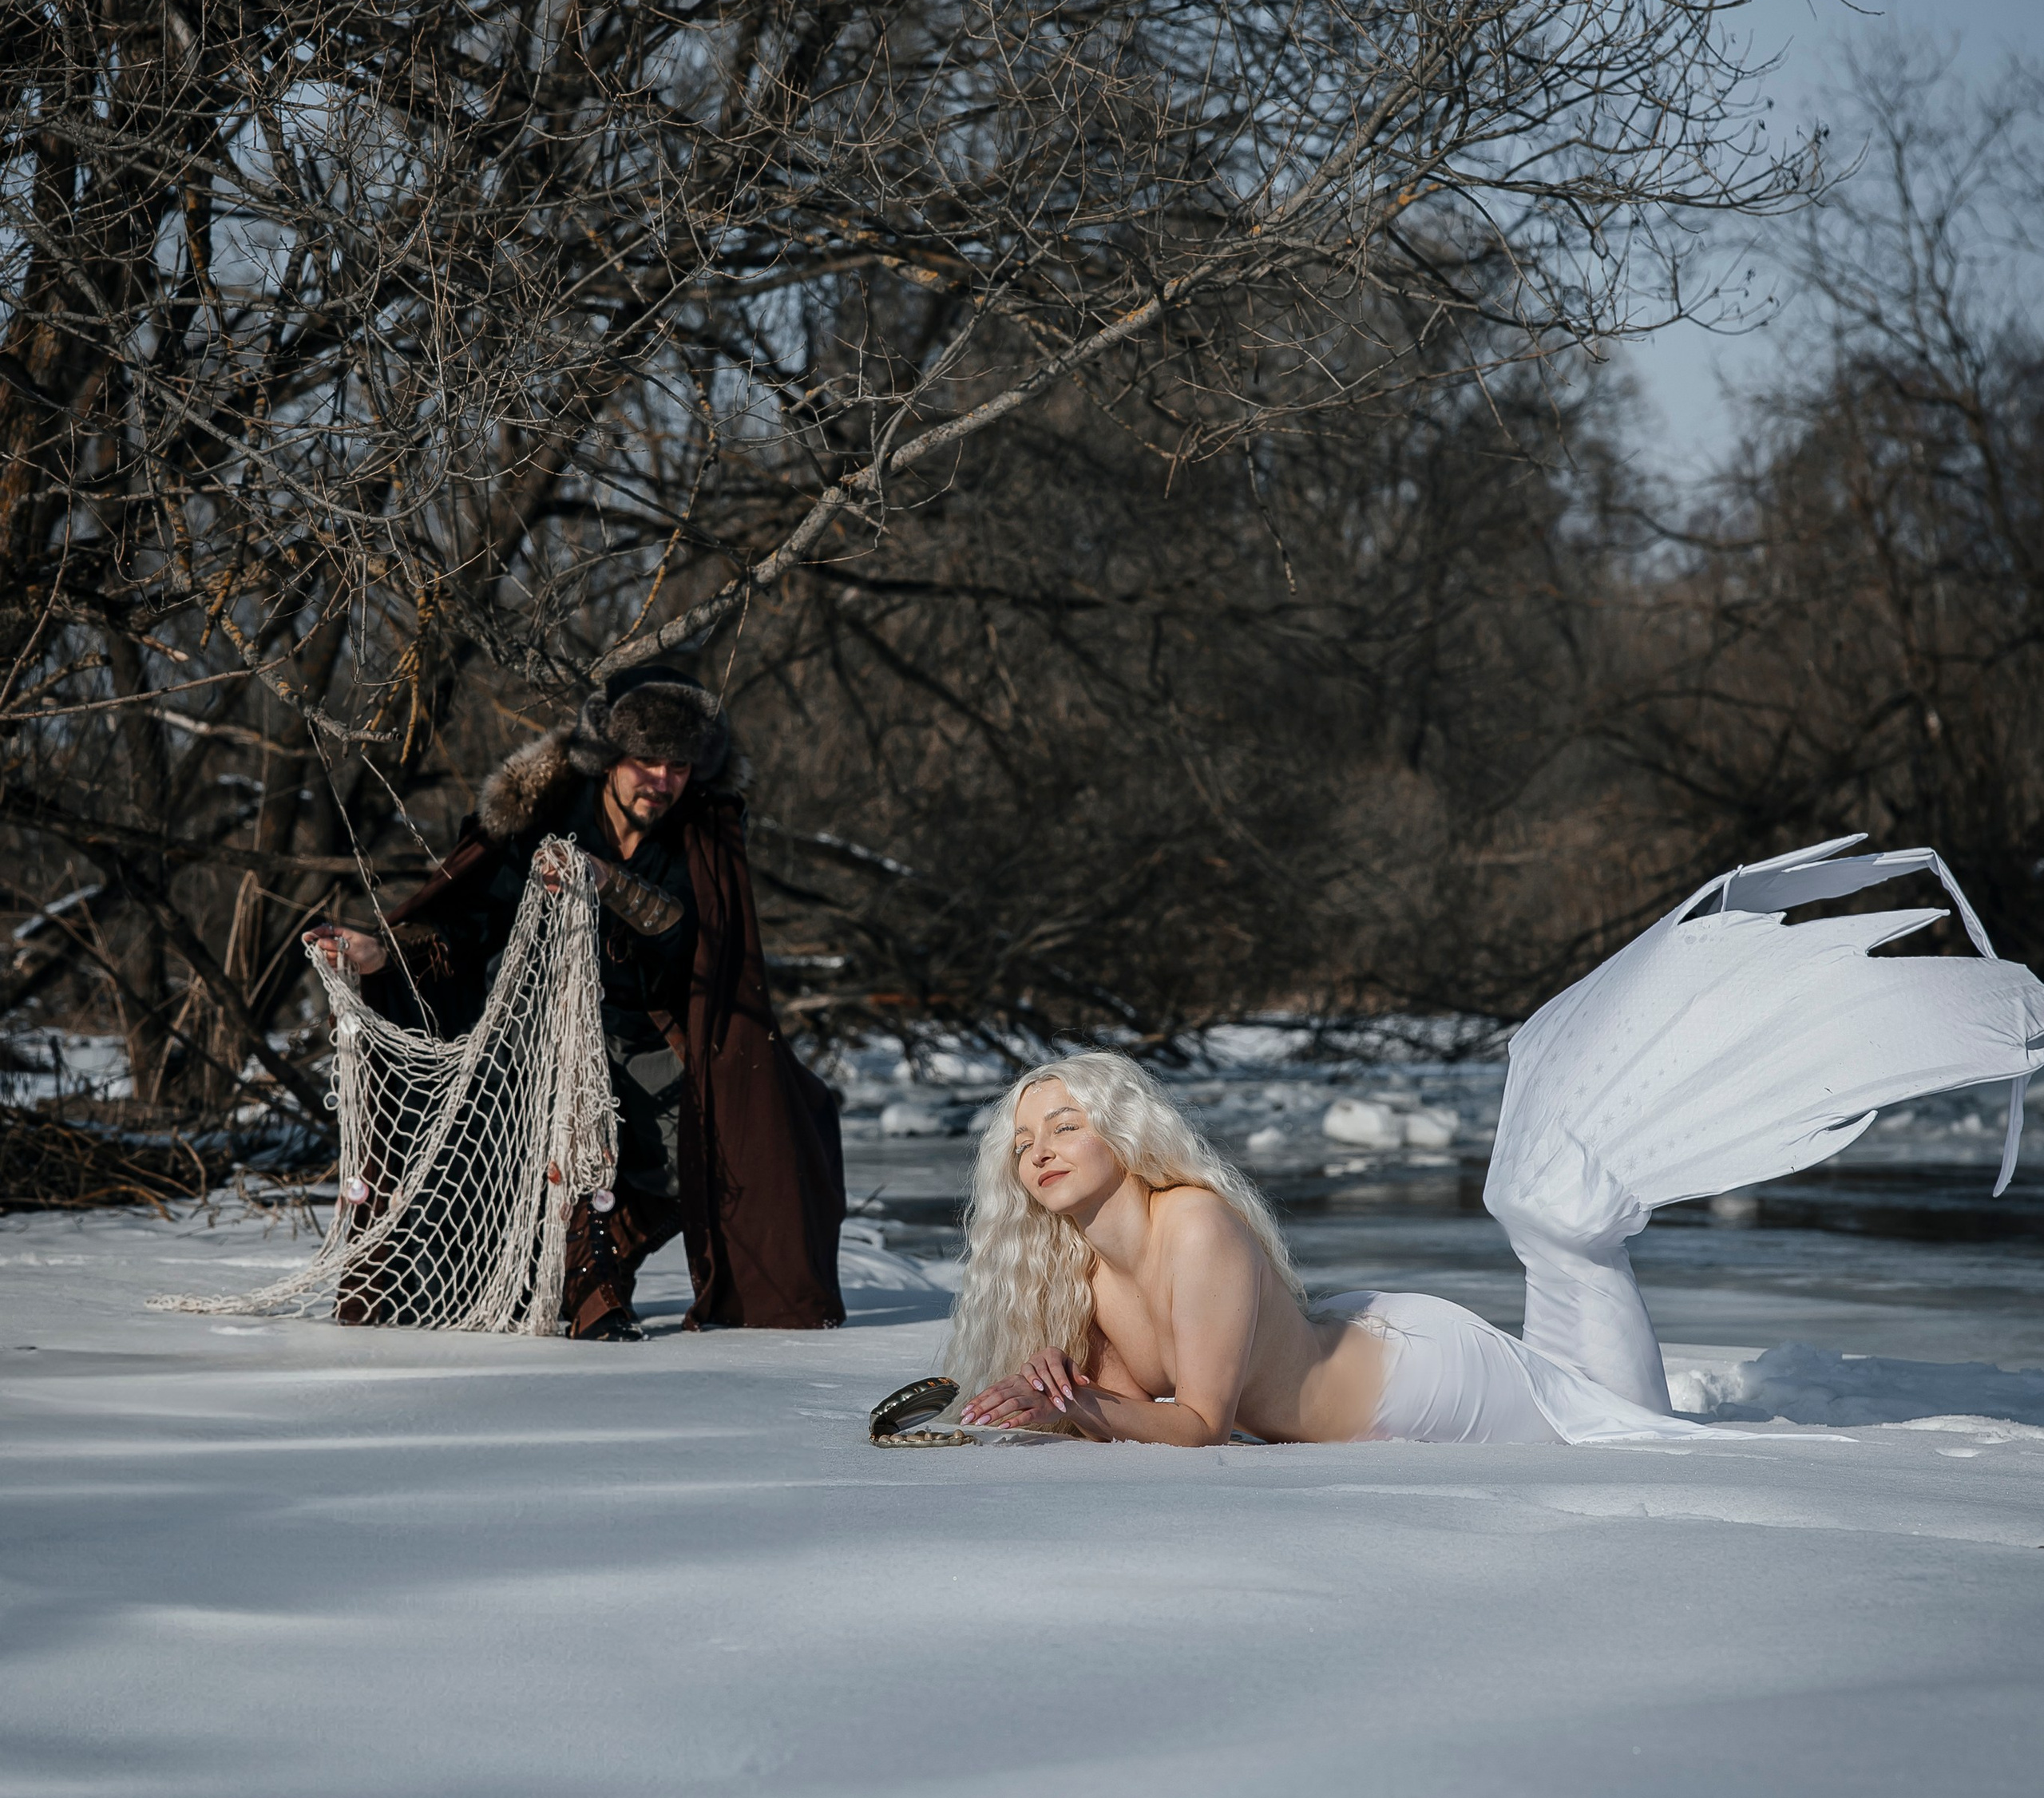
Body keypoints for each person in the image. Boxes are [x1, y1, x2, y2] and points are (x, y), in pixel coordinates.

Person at [950, 837, 2044, 1444]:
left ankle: (1778, 1016)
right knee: (1548, 1216)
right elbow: (1121, 1411)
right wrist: (1046, 1393)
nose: (1039, 1146)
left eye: (1065, 1123)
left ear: (1124, 1134)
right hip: (1380, 1364)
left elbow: (1191, 1428)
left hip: (1436, 1387)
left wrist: (1080, 1409)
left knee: (1599, 1369)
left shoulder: (1192, 1227)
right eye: (1023, 1138)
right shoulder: (1089, 1273)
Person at [311, 671, 844, 1340]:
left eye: (679, 766)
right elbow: (467, 926)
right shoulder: (543, 817)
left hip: (645, 1029)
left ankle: (607, 1251)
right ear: (609, 757)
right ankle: (579, 1274)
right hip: (525, 1033)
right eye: (646, 761)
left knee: (757, 1131)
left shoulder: (700, 831)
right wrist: (380, 954)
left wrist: (607, 881)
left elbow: (691, 936)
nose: (662, 780)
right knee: (523, 1129)